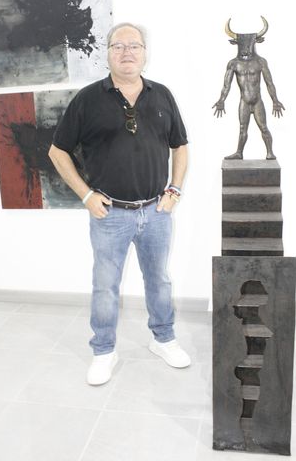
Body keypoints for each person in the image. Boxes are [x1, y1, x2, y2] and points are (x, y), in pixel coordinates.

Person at [48, 22, 190, 385]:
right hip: (109, 214)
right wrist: (86, 195)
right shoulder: (87, 99)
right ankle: (103, 351)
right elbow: (57, 151)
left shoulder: (162, 95)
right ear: (108, 53)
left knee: (159, 280)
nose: (127, 52)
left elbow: (180, 146)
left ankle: (164, 339)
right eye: (118, 46)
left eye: (134, 46)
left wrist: (174, 190)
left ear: (145, 53)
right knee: (105, 286)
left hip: (157, 211)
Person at [213, 17, 285, 160]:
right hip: (244, 102)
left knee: (263, 127)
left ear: (255, 43)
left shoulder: (260, 62)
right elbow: (226, 85)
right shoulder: (234, 64)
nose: (246, 47)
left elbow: (269, 83)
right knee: (242, 129)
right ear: (236, 44)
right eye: (243, 43)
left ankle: (270, 152)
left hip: (257, 101)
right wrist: (221, 100)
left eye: (248, 43)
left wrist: (275, 100)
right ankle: (239, 153)